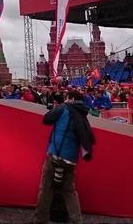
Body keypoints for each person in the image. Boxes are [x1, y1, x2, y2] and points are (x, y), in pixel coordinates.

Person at [34, 89, 95, 224]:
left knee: (46, 186)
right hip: (71, 158)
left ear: (70, 98)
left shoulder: (64, 108)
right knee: (69, 189)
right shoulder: (82, 112)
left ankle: (40, 219)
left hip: (56, 154)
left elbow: (47, 119)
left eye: (66, 97)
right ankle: (77, 220)